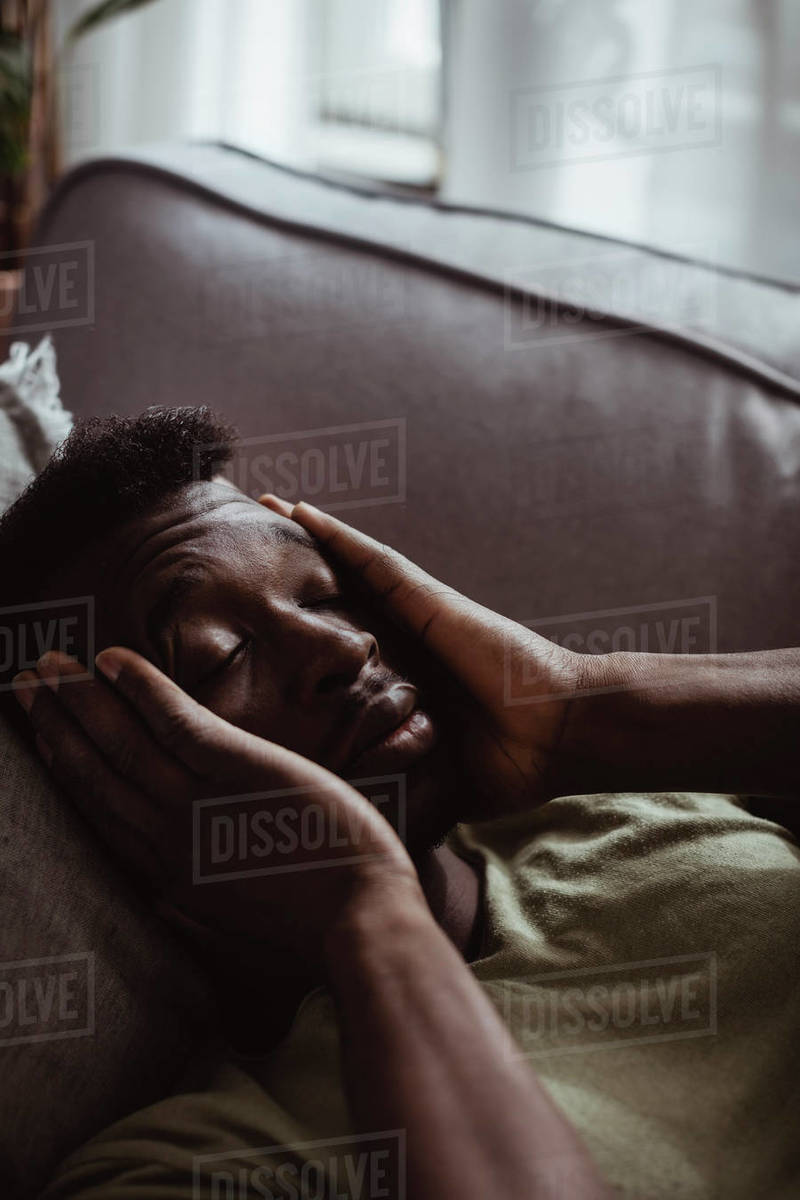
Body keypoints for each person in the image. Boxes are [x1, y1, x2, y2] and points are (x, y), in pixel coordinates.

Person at [3, 408, 800, 1199]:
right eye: (221, 657)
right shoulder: (207, 1161)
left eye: (322, 594)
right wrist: (364, 903)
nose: (345, 647)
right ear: (101, 789)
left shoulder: (634, 778)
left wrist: (581, 710)